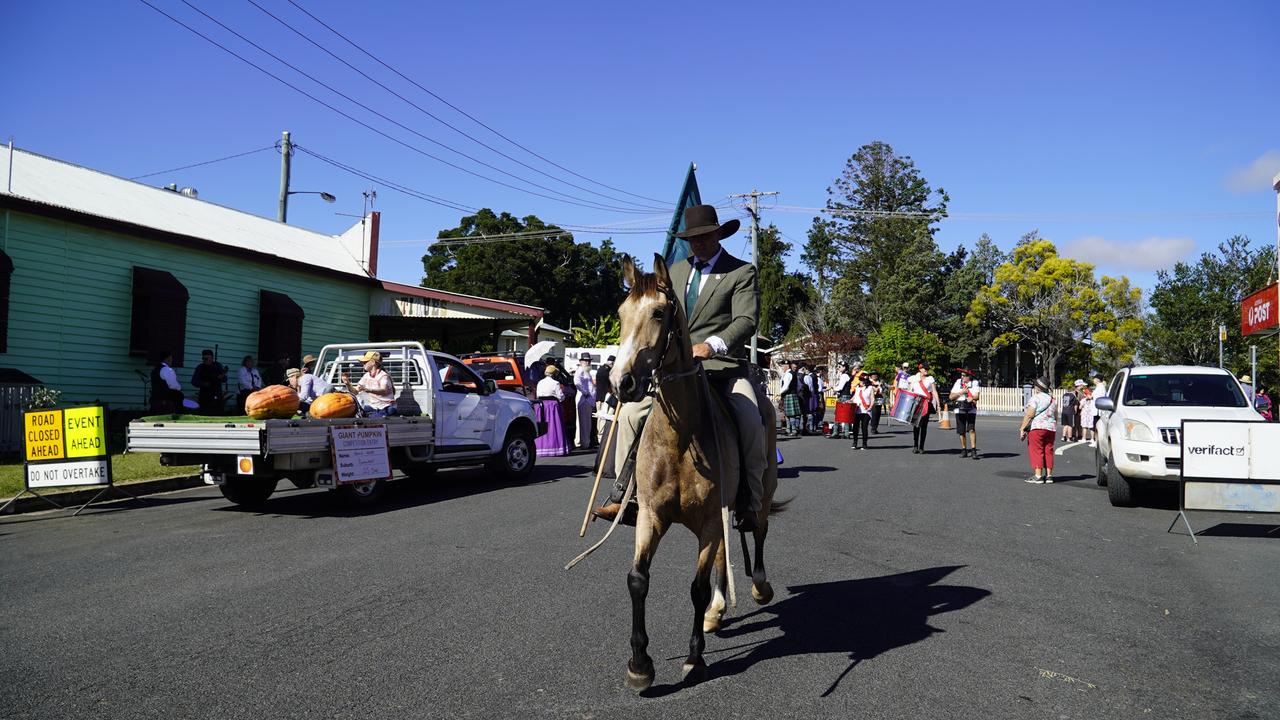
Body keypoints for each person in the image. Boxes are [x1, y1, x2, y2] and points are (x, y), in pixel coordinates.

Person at [594, 203, 766, 532]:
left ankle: (749, 501)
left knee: (751, 420)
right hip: (674, 372)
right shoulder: (672, 272)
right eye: (692, 237)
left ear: (718, 233)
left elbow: (746, 320)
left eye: (704, 235)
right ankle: (627, 497)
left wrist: (712, 345)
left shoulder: (740, 272)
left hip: (721, 368)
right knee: (630, 415)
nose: (698, 242)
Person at [1021, 377, 1058, 484]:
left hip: (1037, 427)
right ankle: (1049, 475)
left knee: (1037, 450)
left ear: (1038, 388)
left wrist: (1022, 428)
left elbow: (1030, 414)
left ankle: (1038, 476)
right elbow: (1056, 416)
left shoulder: (1035, 398)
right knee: (1048, 450)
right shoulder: (1052, 400)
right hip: (1051, 427)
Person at [341, 350, 397, 418]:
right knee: (359, 411)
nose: (363, 364)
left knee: (370, 417)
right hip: (374, 407)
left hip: (387, 407)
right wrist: (347, 383)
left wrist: (369, 390)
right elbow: (355, 392)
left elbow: (383, 390)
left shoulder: (383, 376)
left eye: (365, 362)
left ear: (373, 362)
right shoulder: (366, 376)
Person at [908, 363, 941, 454]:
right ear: (920, 369)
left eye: (927, 368)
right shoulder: (914, 379)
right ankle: (915, 445)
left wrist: (938, 404)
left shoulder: (930, 379)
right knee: (916, 425)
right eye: (924, 368)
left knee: (924, 426)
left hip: (926, 403)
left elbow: (934, 391)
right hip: (916, 403)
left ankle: (922, 446)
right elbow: (910, 390)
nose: (926, 370)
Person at [949, 368, 981, 459]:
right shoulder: (958, 382)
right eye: (961, 375)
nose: (962, 377)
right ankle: (964, 449)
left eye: (964, 375)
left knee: (971, 429)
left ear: (969, 376)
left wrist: (972, 397)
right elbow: (951, 396)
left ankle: (973, 449)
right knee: (961, 431)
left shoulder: (974, 382)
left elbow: (977, 396)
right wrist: (961, 392)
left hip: (971, 408)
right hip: (960, 408)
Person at [190, 348, 227, 415]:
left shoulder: (217, 366)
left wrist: (221, 377)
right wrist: (204, 383)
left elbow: (225, 379)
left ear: (212, 358)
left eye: (207, 358)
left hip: (216, 395)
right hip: (205, 396)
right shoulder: (200, 367)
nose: (205, 360)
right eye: (203, 358)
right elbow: (193, 381)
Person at [574, 356, 597, 450]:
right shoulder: (580, 371)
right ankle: (585, 443)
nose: (588, 363)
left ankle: (585, 442)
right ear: (581, 361)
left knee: (586, 423)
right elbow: (577, 383)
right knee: (584, 423)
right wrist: (585, 392)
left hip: (588, 399)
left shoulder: (586, 371)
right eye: (586, 361)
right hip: (584, 399)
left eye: (589, 361)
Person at [850, 374, 875, 450]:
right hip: (857, 409)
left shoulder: (870, 388)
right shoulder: (857, 388)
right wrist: (850, 400)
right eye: (860, 379)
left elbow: (872, 399)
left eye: (861, 380)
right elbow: (854, 397)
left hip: (866, 410)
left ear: (865, 381)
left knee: (864, 427)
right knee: (855, 427)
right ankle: (855, 442)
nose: (860, 381)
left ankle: (864, 444)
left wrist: (870, 407)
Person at [830, 362, 853, 439]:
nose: (838, 368)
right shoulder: (848, 375)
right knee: (845, 415)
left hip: (843, 396)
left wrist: (833, 388)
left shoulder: (844, 375)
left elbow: (840, 387)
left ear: (844, 367)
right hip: (846, 396)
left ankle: (835, 432)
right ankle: (846, 433)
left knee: (838, 415)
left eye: (840, 366)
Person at [780, 359, 802, 436]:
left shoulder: (788, 374)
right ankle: (789, 430)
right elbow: (799, 386)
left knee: (790, 414)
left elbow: (786, 386)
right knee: (789, 414)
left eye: (783, 366)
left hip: (789, 394)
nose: (782, 367)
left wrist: (779, 393)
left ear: (787, 366)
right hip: (793, 394)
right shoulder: (793, 373)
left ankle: (793, 430)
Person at [1077, 379, 1096, 446]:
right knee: (1091, 427)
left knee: (1084, 427)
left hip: (1084, 414)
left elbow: (1080, 407)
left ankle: (1084, 438)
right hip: (1091, 414)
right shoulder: (1093, 400)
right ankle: (1092, 439)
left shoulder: (1083, 400)